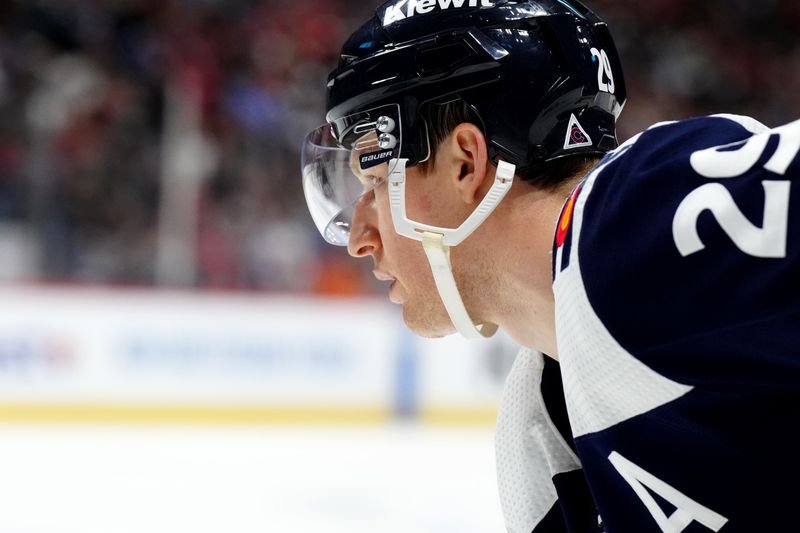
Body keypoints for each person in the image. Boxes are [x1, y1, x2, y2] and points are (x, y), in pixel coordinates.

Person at [300, 1, 800, 531]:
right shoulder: (543, 426)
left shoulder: (635, 226)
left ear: (463, 164)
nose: (358, 240)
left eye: (375, 182)